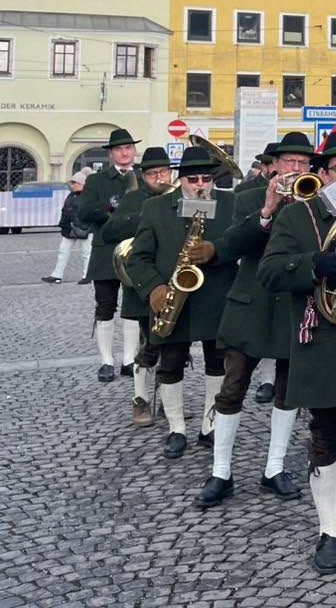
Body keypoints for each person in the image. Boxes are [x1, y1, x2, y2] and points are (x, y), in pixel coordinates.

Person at [258, 129, 336, 574]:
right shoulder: (298, 215)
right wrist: (313, 264)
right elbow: (270, 272)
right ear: (324, 174)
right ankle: (328, 528)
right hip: (322, 341)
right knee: (326, 436)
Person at [196, 133, 311, 508]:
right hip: (250, 305)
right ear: (273, 165)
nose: (297, 168)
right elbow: (230, 246)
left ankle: (274, 468)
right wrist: (267, 210)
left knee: (288, 391)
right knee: (232, 388)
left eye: (303, 163)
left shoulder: (316, 201)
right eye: (290, 161)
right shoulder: (247, 197)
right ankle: (221, 472)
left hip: (292, 306)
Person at [125, 146, 237, 459]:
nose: (200, 185)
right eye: (193, 179)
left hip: (215, 296)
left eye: (206, 179)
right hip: (172, 298)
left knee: (218, 363)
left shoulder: (229, 203)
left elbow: (241, 243)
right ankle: (176, 428)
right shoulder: (156, 207)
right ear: (181, 179)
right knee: (171, 363)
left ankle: (209, 424)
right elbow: (138, 258)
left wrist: (217, 250)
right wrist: (154, 288)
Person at [100, 147, 175, 424]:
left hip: (173, 281)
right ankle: (140, 400)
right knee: (151, 345)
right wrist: (144, 216)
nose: (160, 177)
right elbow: (110, 231)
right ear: (144, 176)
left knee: (174, 347)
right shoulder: (134, 199)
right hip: (143, 283)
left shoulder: (179, 197)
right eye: (153, 173)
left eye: (164, 172)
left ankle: (169, 402)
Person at [45, 170, 93, 285]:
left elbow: (89, 212)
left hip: (85, 229)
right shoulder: (71, 195)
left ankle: (87, 276)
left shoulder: (89, 196)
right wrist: (64, 224)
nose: (72, 185)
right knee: (63, 251)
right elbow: (66, 211)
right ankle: (57, 275)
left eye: (74, 183)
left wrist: (81, 224)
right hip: (70, 228)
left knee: (86, 254)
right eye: (72, 183)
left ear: (81, 184)